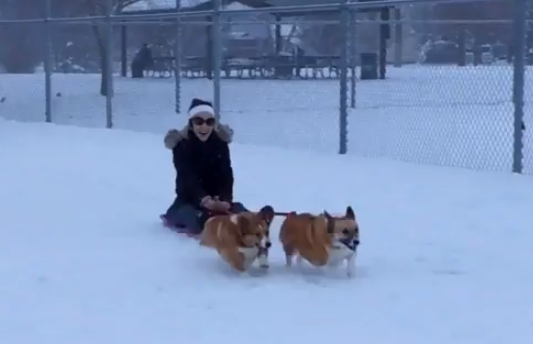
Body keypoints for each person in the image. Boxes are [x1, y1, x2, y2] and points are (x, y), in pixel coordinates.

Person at [161, 98, 248, 236]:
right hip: (189, 200)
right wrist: (203, 199)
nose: (204, 127)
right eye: (198, 121)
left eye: (210, 122)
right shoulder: (182, 144)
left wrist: (225, 199)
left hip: (217, 200)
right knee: (197, 222)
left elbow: (226, 173)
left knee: (245, 218)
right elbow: (186, 176)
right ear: (191, 123)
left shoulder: (220, 143)